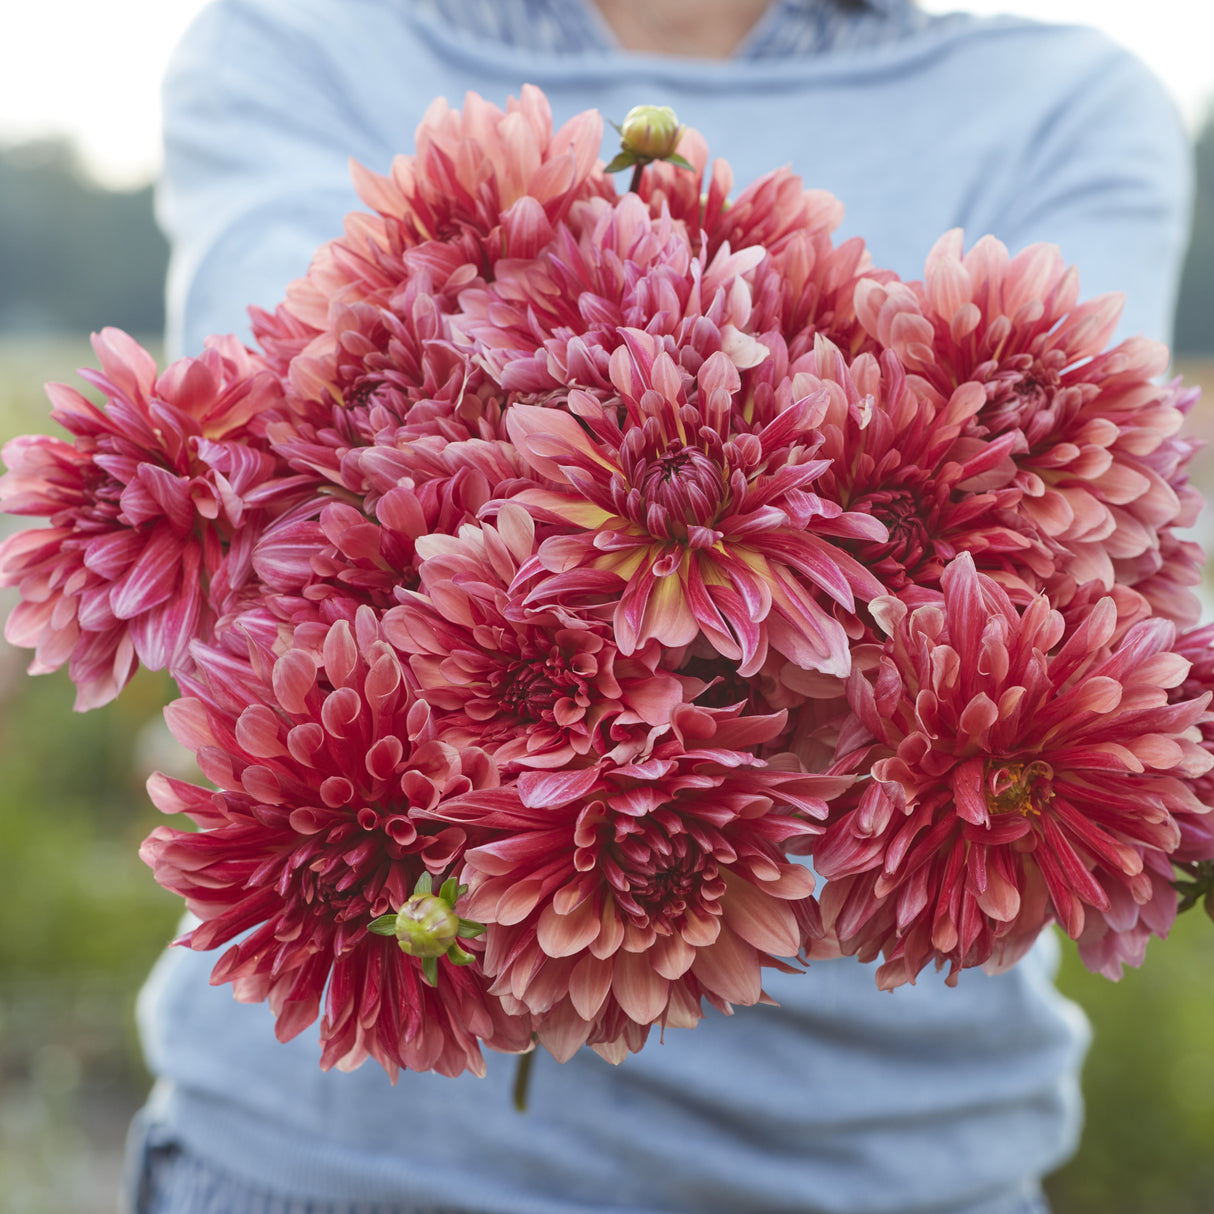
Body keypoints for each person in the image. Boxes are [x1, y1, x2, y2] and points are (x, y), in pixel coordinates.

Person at [125, 1, 1193, 1211]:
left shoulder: (1064, 92)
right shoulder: (291, 37)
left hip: (886, 1170)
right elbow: (278, 475)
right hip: (333, 1170)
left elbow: (1086, 559)